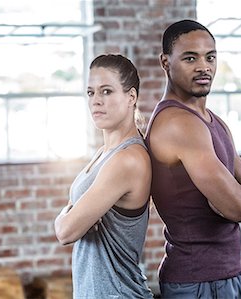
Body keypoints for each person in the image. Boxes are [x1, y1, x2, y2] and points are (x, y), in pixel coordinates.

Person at [144, 19, 241, 298]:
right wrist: (238, 196)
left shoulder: (214, 122)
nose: (203, 67)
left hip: (224, 275)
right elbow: (240, 207)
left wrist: (240, 197)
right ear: (165, 62)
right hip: (198, 282)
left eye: (210, 57)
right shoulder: (178, 123)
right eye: (190, 58)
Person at [54, 54, 154, 299]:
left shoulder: (127, 159)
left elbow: (66, 232)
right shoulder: (104, 153)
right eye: (91, 93)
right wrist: (72, 214)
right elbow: (71, 219)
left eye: (106, 91)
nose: (96, 101)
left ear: (131, 97)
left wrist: (67, 216)